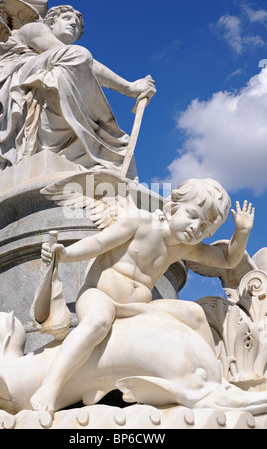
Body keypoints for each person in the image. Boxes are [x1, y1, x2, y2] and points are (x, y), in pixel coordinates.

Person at [30, 177, 255, 414]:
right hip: (100, 295)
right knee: (97, 322)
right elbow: (98, 242)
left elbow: (229, 260)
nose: (194, 228)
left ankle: (216, 382)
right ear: (173, 206)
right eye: (191, 215)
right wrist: (65, 253)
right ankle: (50, 387)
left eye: (204, 229)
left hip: (139, 306)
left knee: (195, 313)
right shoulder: (140, 222)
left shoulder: (187, 248)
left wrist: (242, 232)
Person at [0, 5, 155, 178]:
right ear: (50, 23)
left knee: (65, 77)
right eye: (66, 18)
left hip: (28, 79)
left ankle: (93, 148)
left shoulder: (60, 62)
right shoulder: (34, 29)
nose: (73, 24)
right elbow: (75, 56)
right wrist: (128, 87)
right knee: (77, 56)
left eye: (77, 26)